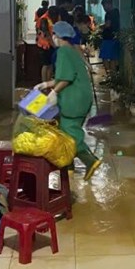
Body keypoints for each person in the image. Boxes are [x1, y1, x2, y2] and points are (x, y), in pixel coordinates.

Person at [34, 21, 102, 180]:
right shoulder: (71, 50)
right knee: (66, 131)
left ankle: (90, 161)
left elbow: (65, 79)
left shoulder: (63, 51)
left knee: (69, 136)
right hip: (81, 97)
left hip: (74, 100)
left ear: (57, 35)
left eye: (53, 34)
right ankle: (68, 167)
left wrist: (54, 92)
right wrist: (45, 84)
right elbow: (62, 77)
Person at [36, 6, 60, 83]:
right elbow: (47, 34)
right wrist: (55, 46)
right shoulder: (44, 19)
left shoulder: (50, 19)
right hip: (44, 46)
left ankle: (48, 82)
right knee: (45, 65)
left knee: (50, 65)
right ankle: (44, 83)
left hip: (50, 45)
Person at [99, 0, 120, 75]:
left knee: (104, 57)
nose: (104, 8)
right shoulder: (116, 11)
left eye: (104, 6)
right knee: (113, 58)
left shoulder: (108, 13)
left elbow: (107, 25)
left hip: (108, 38)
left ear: (108, 4)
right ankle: (113, 75)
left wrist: (101, 26)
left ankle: (109, 74)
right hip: (115, 37)